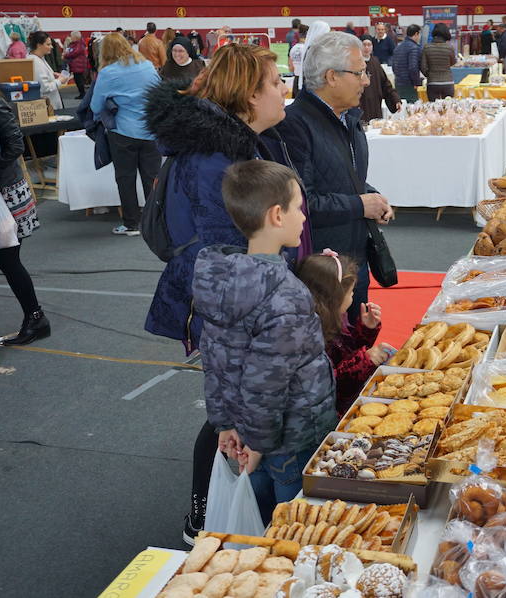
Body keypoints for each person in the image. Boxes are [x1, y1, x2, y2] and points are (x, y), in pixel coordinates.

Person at [144, 43, 311, 544]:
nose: (285, 89)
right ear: (248, 94)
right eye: (275, 82)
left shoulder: (239, 143)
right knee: (229, 412)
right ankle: (203, 515)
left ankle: (221, 509)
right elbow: (228, 254)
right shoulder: (216, 158)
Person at [193, 160, 336, 525]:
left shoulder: (218, 281)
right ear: (277, 215)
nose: (303, 217)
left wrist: (226, 423)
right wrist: (257, 443)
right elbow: (267, 383)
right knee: (293, 521)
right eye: (298, 207)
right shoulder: (286, 296)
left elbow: (216, 361)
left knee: (255, 510)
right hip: (288, 436)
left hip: (245, 434)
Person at [277, 32, 393, 325]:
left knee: (358, 350)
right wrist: (359, 205)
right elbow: (301, 204)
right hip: (322, 271)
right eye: (360, 72)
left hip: (353, 261)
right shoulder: (295, 126)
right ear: (332, 77)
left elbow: (348, 178)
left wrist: (373, 197)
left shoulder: (349, 120)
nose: (366, 81)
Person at [0, 78, 46, 346]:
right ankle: (34, 318)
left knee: (7, 259)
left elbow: (12, 144)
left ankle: (35, 317)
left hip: (3, 190)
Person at [296, 250, 394, 416]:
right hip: (334, 412)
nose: (353, 296)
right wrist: (366, 360)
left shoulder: (336, 319)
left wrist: (366, 329)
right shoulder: (309, 337)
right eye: (351, 292)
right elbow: (333, 384)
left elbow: (349, 351)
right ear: (334, 297)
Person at [89, 33, 161, 236]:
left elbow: (96, 105)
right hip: (150, 131)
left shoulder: (108, 73)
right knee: (152, 179)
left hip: (123, 133)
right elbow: (159, 94)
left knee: (125, 179)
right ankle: (156, 222)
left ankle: (131, 224)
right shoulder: (147, 65)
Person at [359, 38, 400, 122]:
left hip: (375, 104)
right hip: (360, 103)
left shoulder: (375, 62)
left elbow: (385, 84)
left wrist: (395, 99)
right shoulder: (355, 63)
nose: (367, 48)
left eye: (369, 45)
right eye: (364, 45)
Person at [28, 32, 68, 110]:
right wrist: (59, 81)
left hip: (50, 105)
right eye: (48, 44)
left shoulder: (40, 59)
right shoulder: (35, 62)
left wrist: (52, 75)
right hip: (47, 108)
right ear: (39, 45)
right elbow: (44, 88)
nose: (52, 47)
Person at [421, 23, 457, 100]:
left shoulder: (427, 47)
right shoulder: (449, 48)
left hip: (432, 83)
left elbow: (423, 67)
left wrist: (430, 74)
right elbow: (453, 62)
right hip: (448, 82)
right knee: (448, 109)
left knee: (433, 109)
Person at [392, 23, 422, 102]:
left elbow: (393, 67)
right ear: (416, 34)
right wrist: (417, 83)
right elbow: (413, 67)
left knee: (401, 108)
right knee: (411, 109)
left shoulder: (398, 47)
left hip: (398, 83)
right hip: (410, 85)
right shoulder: (414, 48)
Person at [63, 31, 89, 99]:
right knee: (77, 80)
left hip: (78, 66)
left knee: (79, 80)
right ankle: (82, 93)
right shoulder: (74, 44)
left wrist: (65, 55)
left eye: (71, 36)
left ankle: (83, 94)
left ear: (76, 37)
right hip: (75, 65)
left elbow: (74, 53)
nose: (70, 37)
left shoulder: (79, 44)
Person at [288, 24, 308, 97]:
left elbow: (291, 67)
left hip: (296, 79)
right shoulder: (306, 49)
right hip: (305, 79)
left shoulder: (293, 48)